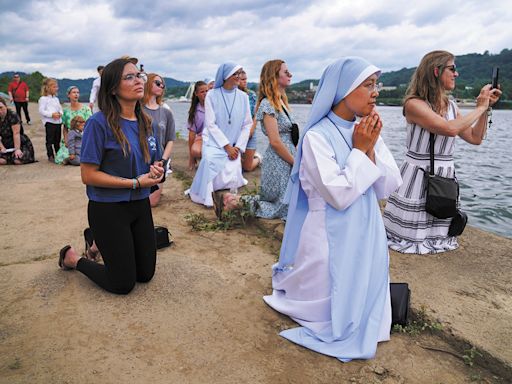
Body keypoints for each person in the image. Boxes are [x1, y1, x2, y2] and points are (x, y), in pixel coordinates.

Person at [263, 57, 402, 362]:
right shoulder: (316, 137)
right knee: (329, 290)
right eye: (368, 85)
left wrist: (369, 148)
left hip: (367, 224)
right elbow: (337, 195)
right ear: (343, 89)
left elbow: (387, 186)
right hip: (327, 230)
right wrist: (359, 149)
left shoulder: (366, 128)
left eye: (375, 85)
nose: (375, 92)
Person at [58, 57, 164, 295]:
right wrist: (135, 182)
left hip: (139, 206)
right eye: (129, 77)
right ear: (113, 88)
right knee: (123, 284)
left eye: (139, 75)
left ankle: (96, 242)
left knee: (145, 275)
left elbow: (154, 161)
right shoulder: (98, 123)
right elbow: (88, 175)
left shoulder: (146, 122)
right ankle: (73, 259)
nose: (138, 80)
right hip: (108, 208)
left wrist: (157, 170)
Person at [383, 50, 502, 255]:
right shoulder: (414, 104)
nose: (456, 74)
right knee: (410, 238)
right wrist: (480, 107)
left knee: (437, 235)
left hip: (444, 174)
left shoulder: (452, 106)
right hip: (419, 173)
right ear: (436, 71)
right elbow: (448, 129)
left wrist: (486, 108)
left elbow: (475, 138)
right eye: (452, 68)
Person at [188, 62, 252, 207]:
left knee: (233, 161)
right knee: (209, 160)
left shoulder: (243, 97)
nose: (238, 77)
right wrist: (226, 146)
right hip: (214, 142)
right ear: (225, 76)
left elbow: (247, 124)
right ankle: (208, 196)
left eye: (239, 73)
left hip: (235, 144)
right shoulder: (212, 95)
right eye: (235, 74)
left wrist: (238, 147)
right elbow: (211, 124)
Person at [252, 59, 296, 219]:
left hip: (287, 156)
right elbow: (275, 141)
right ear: (274, 77)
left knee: (292, 203)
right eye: (286, 72)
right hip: (279, 160)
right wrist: (294, 162)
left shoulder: (280, 102)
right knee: (283, 207)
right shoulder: (268, 104)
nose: (290, 74)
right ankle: (236, 202)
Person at [143, 73, 176, 207]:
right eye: (157, 83)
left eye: (163, 84)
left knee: (152, 203)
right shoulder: (136, 109)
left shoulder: (166, 112)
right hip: (140, 160)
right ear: (147, 83)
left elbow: (170, 140)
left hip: (158, 162)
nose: (161, 86)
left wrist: (163, 160)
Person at [0, 97, 35, 165]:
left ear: (6, 106)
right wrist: (1, 147)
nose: (0, 111)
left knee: (18, 160)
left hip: (19, 141)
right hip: (4, 142)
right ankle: (8, 158)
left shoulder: (13, 115)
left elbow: (16, 133)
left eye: (1, 107)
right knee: (1, 161)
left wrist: (17, 149)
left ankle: (12, 157)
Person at [239, 70, 261, 171]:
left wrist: (252, 129)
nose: (245, 81)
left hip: (250, 131)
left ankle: (258, 158)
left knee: (247, 168)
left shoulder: (251, 95)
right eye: (242, 79)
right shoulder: (233, 95)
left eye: (246, 79)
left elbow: (256, 114)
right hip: (237, 133)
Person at [38, 78, 63, 162]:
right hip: (50, 122)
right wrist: (51, 115)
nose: (57, 88)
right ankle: (50, 155)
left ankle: (58, 154)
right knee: (49, 140)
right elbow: (41, 111)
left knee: (57, 140)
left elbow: (60, 109)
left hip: (58, 122)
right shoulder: (43, 99)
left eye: (57, 87)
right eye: (54, 87)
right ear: (48, 88)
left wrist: (60, 113)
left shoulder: (56, 99)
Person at [187, 81, 207, 170]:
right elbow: (191, 135)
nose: (205, 93)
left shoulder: (215, 106)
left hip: (215, 138)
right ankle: (199, 158)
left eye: (207, 91)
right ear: (196, 94)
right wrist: (191, 158)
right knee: (196, 151)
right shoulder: (195, 112)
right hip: (201, 138)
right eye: (202, 92)